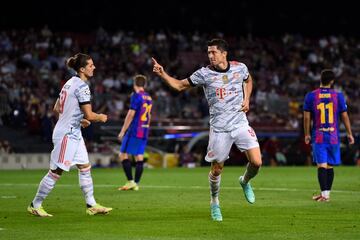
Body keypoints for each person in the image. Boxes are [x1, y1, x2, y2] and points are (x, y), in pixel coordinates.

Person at [152, 38, 262, 221]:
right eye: (208, 52)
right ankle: (215, 202)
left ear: (224, 53)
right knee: (217, 169)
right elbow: (179, 85)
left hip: (240, 123)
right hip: (219, 128)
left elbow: (248, 80)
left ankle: (244, 181)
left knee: (257, 162)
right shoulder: (204, 74)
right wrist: (163, 74)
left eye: (214, 52)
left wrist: (247, 98)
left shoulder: (239, 67)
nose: (210, 55)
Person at [27, 53, 112, 217]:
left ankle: (91, 204)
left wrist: (78, 121)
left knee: (85, 167)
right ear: (82, 69)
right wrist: (100, 117)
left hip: (73, 131)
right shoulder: (82, 86)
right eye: (90, 65)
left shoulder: (69, 83)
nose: (94, 67)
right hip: (67, 134)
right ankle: (35, 205)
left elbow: (57, 108)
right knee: (56, 172)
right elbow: (89, 114)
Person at [303, 69, 354, 202]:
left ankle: (324, 195)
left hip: (319, 135)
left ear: (320, 79)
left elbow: (307, 118)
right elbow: (344, 116)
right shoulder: (338, 96)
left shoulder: (311, 96)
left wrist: (307, 134)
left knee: (321, 165)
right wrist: (349, 133)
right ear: (332, 81)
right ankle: (326, 194)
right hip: (333, 135)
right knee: (329, 165)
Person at [117, 74, 152, 191]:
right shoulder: (148, 97)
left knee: (122, 154)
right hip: (144, 129)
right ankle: (135, 183)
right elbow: (149, 116)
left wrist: (123, 131)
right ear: (145, 85)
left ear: (134, 84)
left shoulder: (136, 96)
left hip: (135, 130)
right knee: (139, 156)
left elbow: (131, 114)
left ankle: (131, 182)